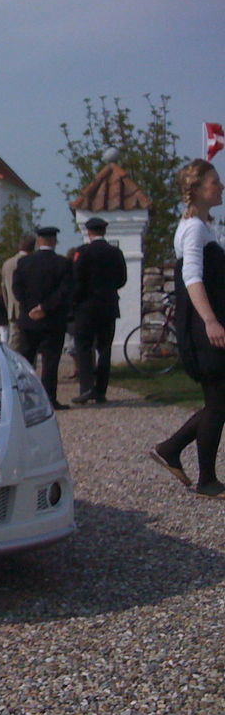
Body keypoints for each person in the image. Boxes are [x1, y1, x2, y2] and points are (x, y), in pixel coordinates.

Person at [150, 159, 225, 498]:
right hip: (202, 325)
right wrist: (210, 320)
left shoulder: (204, 227)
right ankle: (206, 479)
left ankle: (171, 448)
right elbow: (191, 277)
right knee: (218, 401)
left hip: (207, 322)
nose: (220, 187)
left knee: (219, 401)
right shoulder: (194, 228)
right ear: (197, 189)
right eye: (214, 182)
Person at [12, 226, 74, 410]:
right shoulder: (63, 264)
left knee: (25, 361)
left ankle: (24, 399)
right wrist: (45, 308)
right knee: (50, 362)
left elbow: (17, 289)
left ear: (38, 241)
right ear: (54, 241)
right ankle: (49, 399)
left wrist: (30, 308)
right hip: (53, 320)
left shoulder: (24, 263)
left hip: (29, 320)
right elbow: (65, 291)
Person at [70, 217, 127, 404]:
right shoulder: (115, 252)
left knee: (84, 347)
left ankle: (86, 388)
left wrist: (76, 300)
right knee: (105, 349)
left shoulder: (83, 252)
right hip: (108, 306)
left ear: (88, 232)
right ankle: (101, 390)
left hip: (86, 307)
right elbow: (122, 279)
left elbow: (77, 279)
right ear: (104, 231)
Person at [0, 235, 36, 351]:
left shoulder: (7, 264)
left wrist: (9, 306)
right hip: (31, 309)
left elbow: (4, 288)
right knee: (29, 344)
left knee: (14, 340)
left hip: (13, 309)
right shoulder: (33, 263)